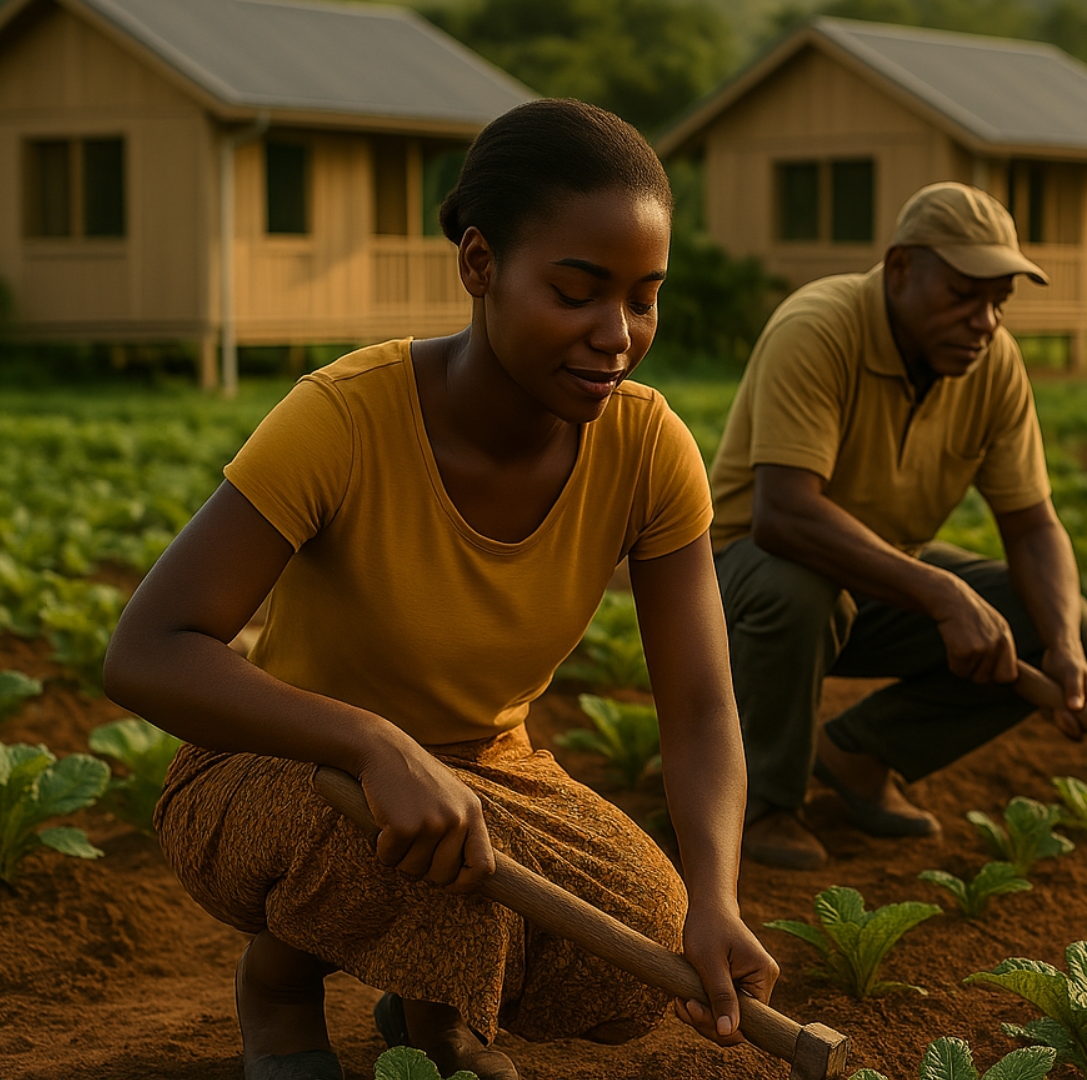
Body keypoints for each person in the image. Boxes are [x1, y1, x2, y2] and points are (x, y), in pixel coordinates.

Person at [103, 100, 776, 1080]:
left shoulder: (647, 447)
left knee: (648, 943)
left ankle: (431, 1006)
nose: (618, 335)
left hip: (489, 773)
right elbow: (144, 651)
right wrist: (371, 741)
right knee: (416, 855)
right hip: (277, 763)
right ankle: (280, 983)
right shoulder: (343, 418)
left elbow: (703, 705)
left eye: (643, 297)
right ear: (479, 266)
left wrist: (718, 898)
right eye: (578, 291)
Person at [708, 182, 1087, 870]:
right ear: (899, 270)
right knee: (799, 591)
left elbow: (1034, 524)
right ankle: (764, 800)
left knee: (1058, 623)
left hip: (875, 576)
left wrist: (1065, 646)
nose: (983, 320)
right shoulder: (820, 328)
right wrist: (943, 595)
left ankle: (861, 754)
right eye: (962, 294)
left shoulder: (993, 364)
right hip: (739, 574)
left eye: (997, 301)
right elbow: (784, 515)